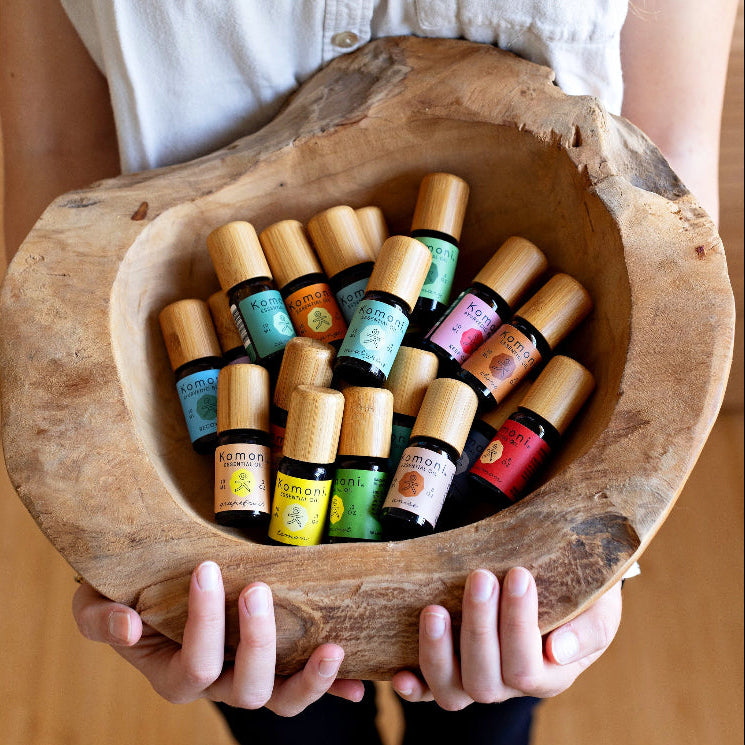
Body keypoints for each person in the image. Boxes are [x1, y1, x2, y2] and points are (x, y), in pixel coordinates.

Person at [0, 1, 737, 743]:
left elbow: (667, 170)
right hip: (214, 516)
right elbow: (52, 147)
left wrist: (607, 546)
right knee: (281, 711)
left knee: (485, 710)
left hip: (521, 512)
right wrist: (106, 514)